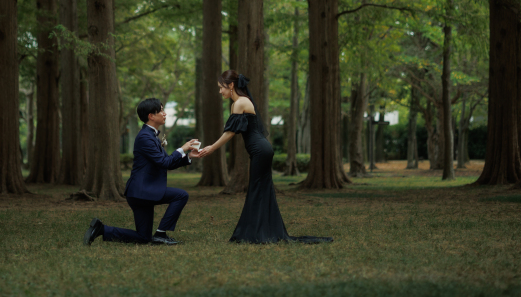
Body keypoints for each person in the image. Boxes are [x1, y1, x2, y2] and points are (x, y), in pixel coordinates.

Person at [198, 70, 333, 244]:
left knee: (256, 190)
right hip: (260, 150)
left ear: (231, 85)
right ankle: (261, 231)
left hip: (261, 151)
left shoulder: (240, 102)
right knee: (262, 190)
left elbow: (230, 132)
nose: (219, 91)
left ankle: (255, 234)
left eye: (221, 87)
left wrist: (212, 148)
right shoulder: (237, 103)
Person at [83, 98, 199, 246]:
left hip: (140, 193)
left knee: (143, 238)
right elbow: (165, 162)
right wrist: (182, 149)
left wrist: (188, 156)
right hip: (143, 191)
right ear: (151, 116)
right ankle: (161, 234)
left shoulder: (150, 136)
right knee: (181, 195)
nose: (165, 114)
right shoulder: (145, 137)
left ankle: (101, 230)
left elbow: (166, 164)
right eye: (161, 110)